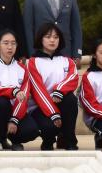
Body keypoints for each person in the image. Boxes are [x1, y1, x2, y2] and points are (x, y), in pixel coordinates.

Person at [0, 28, 40, 151]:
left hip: (15, 111)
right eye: (6, 43)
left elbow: (24, 97)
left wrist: (14, 119)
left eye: (13, 43)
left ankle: (15, 140)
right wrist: (13, 91)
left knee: (33, 131)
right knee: (2, 101)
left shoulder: (22, 68)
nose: (10, 47)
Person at [25, 22, 77, 150]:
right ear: (40, 39)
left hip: (61, 101)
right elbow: (38, 92)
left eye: (56, 37)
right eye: (48, 37)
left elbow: (73, 78)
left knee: (71, 99)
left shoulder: (67, 61)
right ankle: (48, 140)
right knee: (50, 127)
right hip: (40, 107)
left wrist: (59, 90)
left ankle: (69, 140)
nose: (52, 40)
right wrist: (53, 113)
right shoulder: (32, 62)